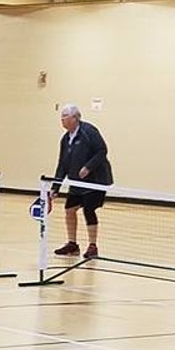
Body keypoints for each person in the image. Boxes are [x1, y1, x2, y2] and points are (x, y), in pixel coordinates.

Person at [50, 103, 113, 259]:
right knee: (69, 210)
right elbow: (62, 164)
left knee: (88, 209)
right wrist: (55, 187)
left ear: (75, 118)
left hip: (95, 181)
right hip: (77, 183)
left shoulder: (89, 132)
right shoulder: (65, 139)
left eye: (65, 116)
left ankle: (93, 246)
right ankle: (72, 244)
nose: (62, 120)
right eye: (61, 117)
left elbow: (102, 151)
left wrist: (88, 167)